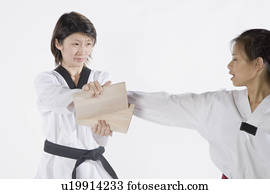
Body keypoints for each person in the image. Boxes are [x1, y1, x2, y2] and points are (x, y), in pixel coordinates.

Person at [128, 29, 270, 178]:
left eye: (235, 59)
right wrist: (114, 98)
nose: (229, 65)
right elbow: (168, 105)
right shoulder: (219, 105)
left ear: (258, 64)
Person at [34, 12, 118, 179]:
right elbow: (59, 99)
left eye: (88, 43)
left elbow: (102, 129)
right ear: (58, 43)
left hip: (92, 168)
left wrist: (103, 130)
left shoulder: (101, 78)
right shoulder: (46, 81)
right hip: (56, 166)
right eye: (76, 44)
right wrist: (86, 94)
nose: (83, 51)